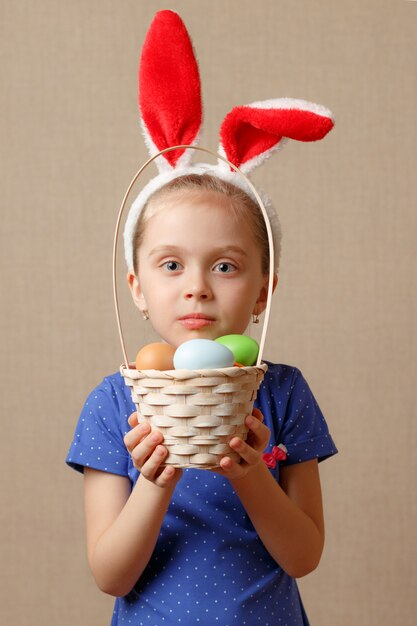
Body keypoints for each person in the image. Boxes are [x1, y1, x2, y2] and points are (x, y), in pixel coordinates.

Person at [66, 11, 337, 625]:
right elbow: (110, 572)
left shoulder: (282, 392)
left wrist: (250, 475)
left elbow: (305, 556)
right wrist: (157, 481)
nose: (196, 289)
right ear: (135, 288)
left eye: (224, 267)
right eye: (170, 266)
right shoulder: (116, 402)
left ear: (263, 292)